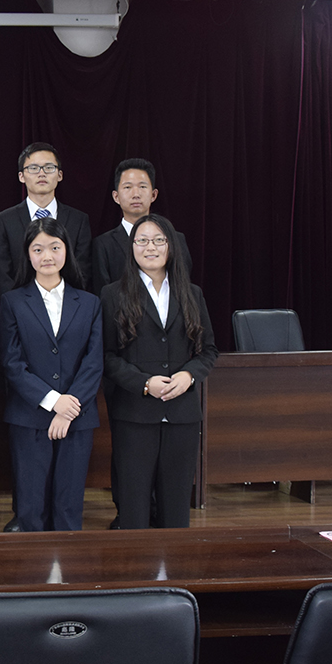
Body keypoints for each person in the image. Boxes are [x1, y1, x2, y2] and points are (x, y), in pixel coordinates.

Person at [101, 214, 218, 530]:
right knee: (134, 507)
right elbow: (107, 356)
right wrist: (143, 383)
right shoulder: (112, 294)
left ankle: (174, 563)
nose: (150, 247)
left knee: (176, 508)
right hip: (134, 414)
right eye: (142, 240)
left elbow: (208, 350)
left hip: (182, 414)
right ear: (132, 247)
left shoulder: (191, 293)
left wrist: (189, 376)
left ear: (171, 246)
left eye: (158, 240)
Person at [0, 217, 102, 532]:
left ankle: (67, 565)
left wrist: (69, 407)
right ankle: (33, 564)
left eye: (55, 248)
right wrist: (54, 401)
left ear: (66, 251)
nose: (47, 256)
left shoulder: (90, 303)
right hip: (29, 417)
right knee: (31, 508)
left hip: (78, 417)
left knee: (69, 506)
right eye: (38, 249)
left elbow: (94, 362)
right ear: (28, 254)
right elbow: (12, 362)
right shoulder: (13, 301)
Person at [0, 142, 92, 298]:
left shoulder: (78, 220)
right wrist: (18, 305)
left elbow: (82, 270)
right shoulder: (4, 220)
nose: (42, 173)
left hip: (67, 304)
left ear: (60, 175)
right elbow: (1, 274)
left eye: (49, 168)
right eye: (33, 168)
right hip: (19, 306)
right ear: (21, 176)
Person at [90, 158, 192, 296]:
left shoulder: (175, 239)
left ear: (153, 195)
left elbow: (183, 286)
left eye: (142, 187)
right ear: (116, 197)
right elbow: (102, 294)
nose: (136, 194)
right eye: (128, 187)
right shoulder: (103, 245)